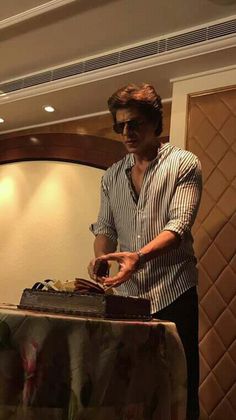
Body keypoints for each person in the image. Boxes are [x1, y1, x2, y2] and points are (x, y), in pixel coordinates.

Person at [88, 83, 202, 420]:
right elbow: (105, 229)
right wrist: (100, 260)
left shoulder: (184, 163)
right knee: (129, 384)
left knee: (178, 383)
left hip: (174, 292)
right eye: (120, 125)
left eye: (134, 123)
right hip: (127, 297)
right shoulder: (111, 176)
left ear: (155, 123)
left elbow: (179, 226)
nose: (127, 132)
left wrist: (138, 257)